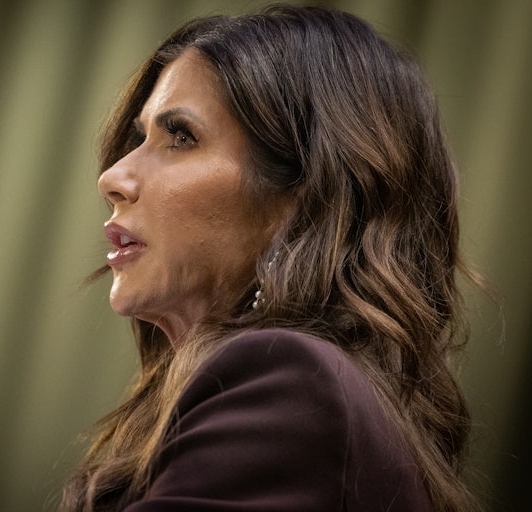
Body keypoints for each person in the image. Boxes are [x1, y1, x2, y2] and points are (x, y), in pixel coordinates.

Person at [60, 4, 482, 511]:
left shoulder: (291, 383)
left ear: (302, 197)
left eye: (180, 137)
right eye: (140, 137)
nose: (113, 178)